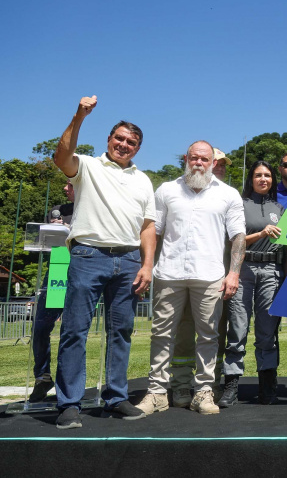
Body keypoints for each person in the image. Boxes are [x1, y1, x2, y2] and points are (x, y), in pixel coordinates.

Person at [52, 95, 155, 429]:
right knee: (74, 331)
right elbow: (61, 156)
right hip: (88, 255)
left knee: (121, 332)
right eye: (119, 139)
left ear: (137, 149)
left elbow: (148, 226)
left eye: (131, 142)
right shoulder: (87, 166)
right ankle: (69, 403)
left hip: (127, 260)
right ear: (109, 140)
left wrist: (147, 264)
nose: (124, 145)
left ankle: (115, 397)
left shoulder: (143, 180)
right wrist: (79, 116)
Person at [137, 141, 246, 416]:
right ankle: (158, 393)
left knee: (209, 336)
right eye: (194, 158)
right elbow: (153, 230)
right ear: (186, 159)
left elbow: (238, 237)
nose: (199, 162)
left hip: (209, 275)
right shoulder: (166, 190)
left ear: (212, 162)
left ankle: (203, 392)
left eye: (204, 159)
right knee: (161, 334)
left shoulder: (228, 194)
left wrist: (233, 272)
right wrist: (147, 265)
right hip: (169, 273)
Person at [169, 145, 232, 409]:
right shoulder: (176, 192)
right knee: (183, 332)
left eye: (221, 164)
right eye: (213, 162)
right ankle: (182, 384)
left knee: (214, 333)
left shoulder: (228, 196)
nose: (217, 167)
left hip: (218, 276)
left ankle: (209, 385)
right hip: (182, 274)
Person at [220, 161, 284, 406]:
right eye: (258, 175)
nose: (263, 179)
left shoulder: (279, 208)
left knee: (268, 332)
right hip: (244, 269)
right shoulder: (239, 205)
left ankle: (267, 384)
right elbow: (232, 241)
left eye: (268, 175)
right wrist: (261, 234)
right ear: (251, 179)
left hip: (271, 270)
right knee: (237, 328)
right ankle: (232, 384)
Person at [29, 180, 74, 403]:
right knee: (40, 328)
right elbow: (42, 242)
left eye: (70, 185)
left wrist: (70, 230)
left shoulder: (95, 208)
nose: (65, 189)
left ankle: (68, 384)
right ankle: (43, 377)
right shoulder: (57, 210)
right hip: (56, 272)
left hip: (82, 274)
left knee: (72, 332)